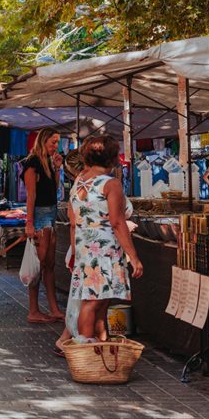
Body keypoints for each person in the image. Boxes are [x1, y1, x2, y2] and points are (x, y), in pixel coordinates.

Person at [69, 135, 143, 343]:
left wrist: (75, 252)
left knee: (99, 302)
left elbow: (72, 219)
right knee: (93, 302)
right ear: (113, 159)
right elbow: (118, 222)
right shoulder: (110, 184)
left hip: (86, 248)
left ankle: (100, 344)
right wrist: (134, 257)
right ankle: (84, 347)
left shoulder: (79, 179)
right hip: (104, 250)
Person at [22, 127, 64, 324]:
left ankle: (53, 308)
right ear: (43, 140)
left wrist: (57, 169)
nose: (56, 146)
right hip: (39, 216)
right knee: (38, 265)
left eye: (57, 143)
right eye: (53, 142)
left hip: (51, 214)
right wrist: (29, 223)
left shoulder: (48, 161)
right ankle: (33, 310)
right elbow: (31, 195)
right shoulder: (32, 163)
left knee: (49, 265)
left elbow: (54, 189)